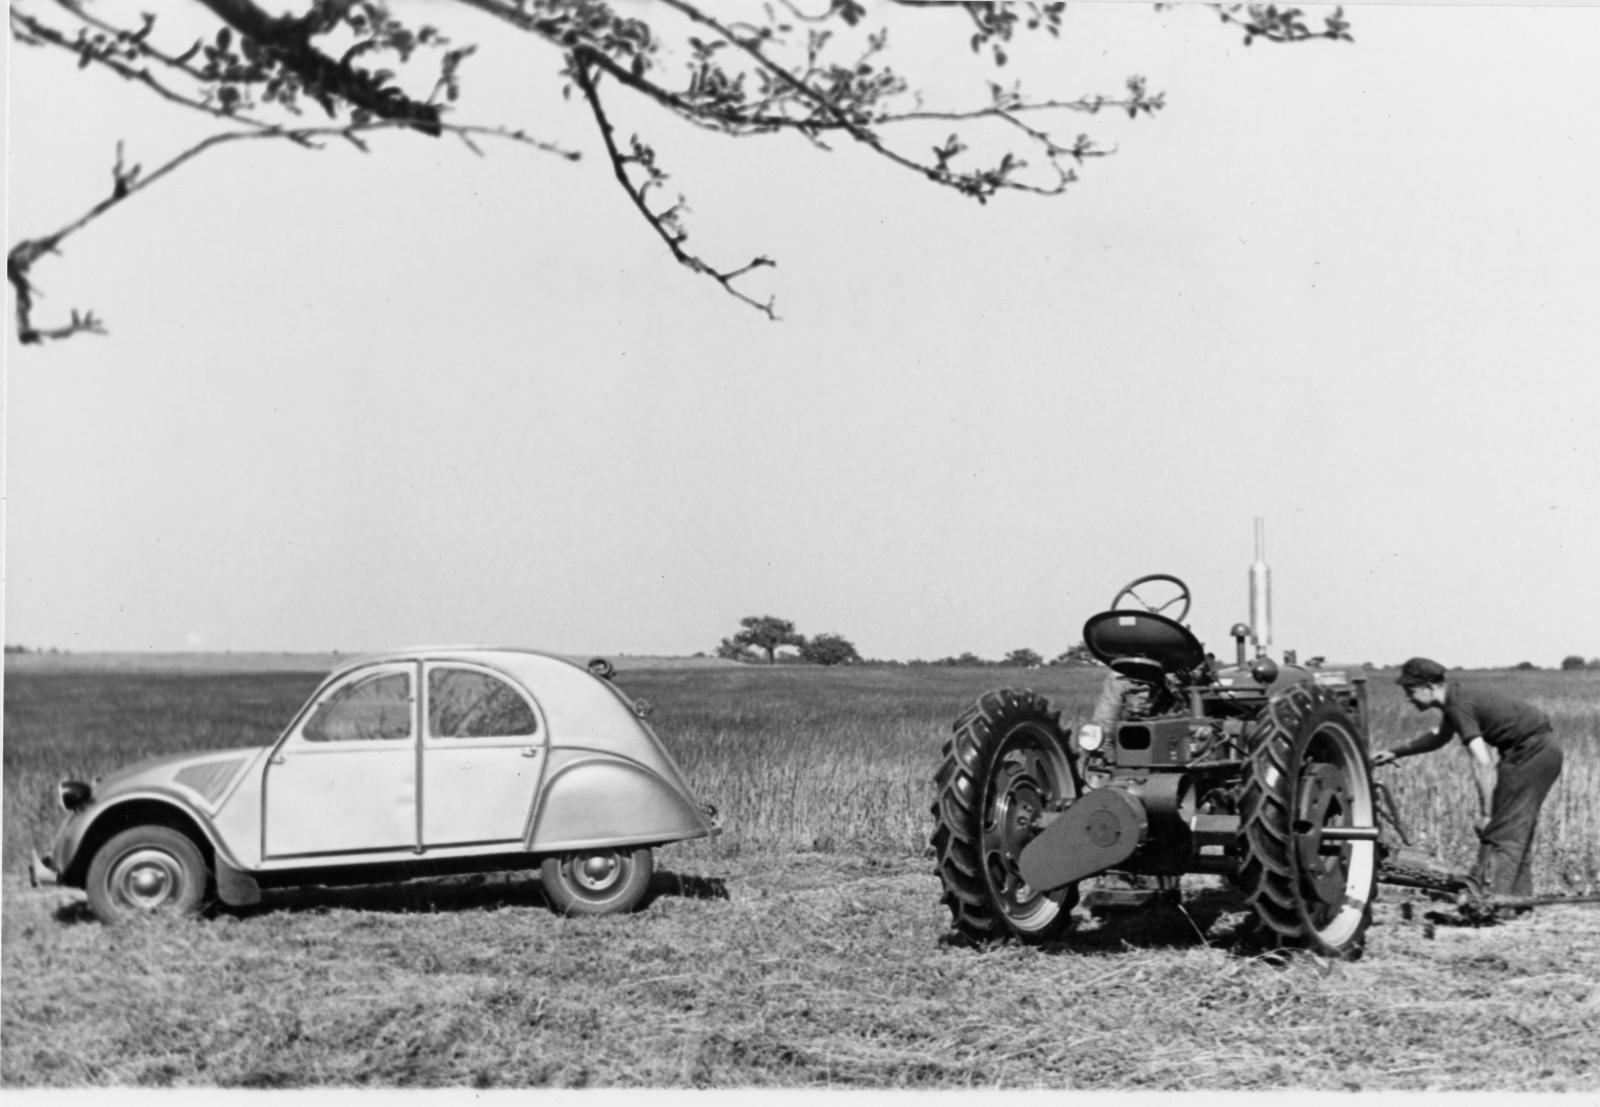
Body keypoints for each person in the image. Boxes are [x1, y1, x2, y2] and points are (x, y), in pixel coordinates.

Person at [1372, 657, 1563, 915]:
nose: (1408, 698)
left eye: (1410, 690)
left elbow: (1482, 761)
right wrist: (1396, 752)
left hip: (1529, 753)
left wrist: (1485, 814)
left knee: (1501, 832)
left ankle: (1495, 905)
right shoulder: (1457, 699)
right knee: (1516, 829)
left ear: (1429, 687)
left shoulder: (1459, 704)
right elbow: (1439, 737)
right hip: (1542, 750)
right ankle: (1518, 903)